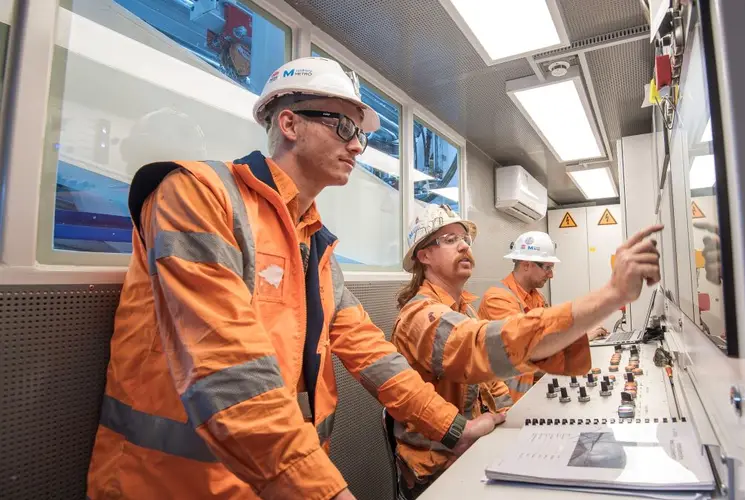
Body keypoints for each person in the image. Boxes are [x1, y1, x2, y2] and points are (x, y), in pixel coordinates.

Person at [87, 57, 499, 500]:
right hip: (170, 485)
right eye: (345, 127)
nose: (358, 146)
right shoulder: (197, 195)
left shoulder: (313, 244)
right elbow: (227, 368)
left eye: (361, 134)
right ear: (289, 123)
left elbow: (372, 355)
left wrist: (455, 429)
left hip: (278, 485)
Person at [391, 204, 662, 497]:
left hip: (471, 444)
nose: (463, 246)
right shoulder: (420, 316)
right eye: (449, 239)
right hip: (440, 465)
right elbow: (483, 346)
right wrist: (610, 295)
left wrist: (510, 413)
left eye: (465, 239)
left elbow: (491, 383)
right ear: (424, 255)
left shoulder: (464, 309)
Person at [477, 231, 609, 402]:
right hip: (508, 402)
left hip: (533, 392)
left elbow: (553, 336)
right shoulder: (498, 299)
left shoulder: (536, 297)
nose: (551, 274)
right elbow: (531, 351)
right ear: (526, 265)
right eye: (547, 268)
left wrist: (581, 336)